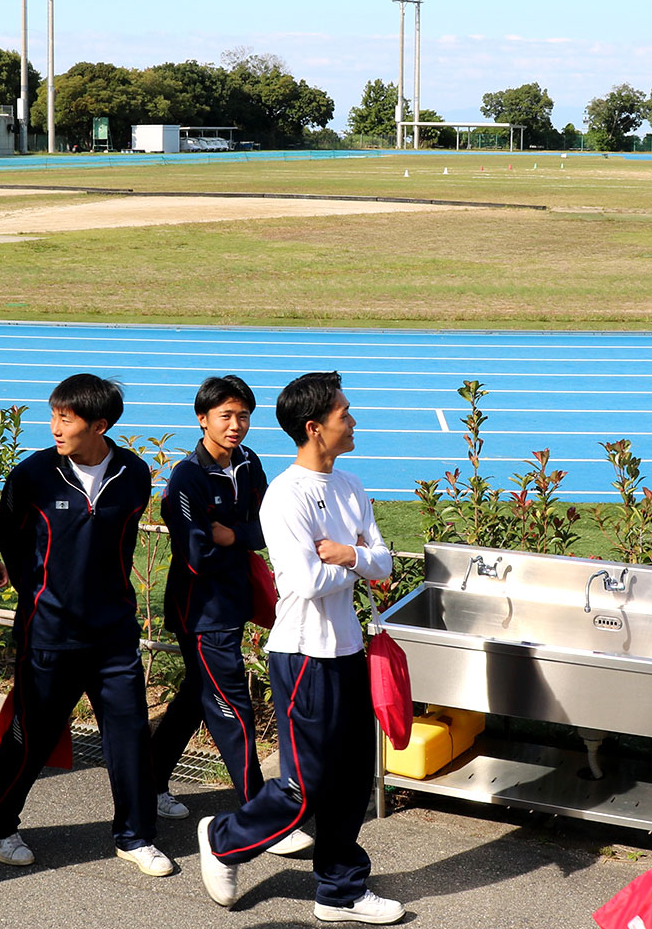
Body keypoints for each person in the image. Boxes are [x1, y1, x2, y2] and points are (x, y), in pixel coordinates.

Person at [197, 370, 404, 925]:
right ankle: (222, 838)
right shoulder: (284, 497)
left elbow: (384, 562)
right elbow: (304, 583)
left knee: (353, 778)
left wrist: (348, 555)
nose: (353, 421)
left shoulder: (352, 486)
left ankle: (340, 890)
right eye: (344, 414)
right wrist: (353, 559)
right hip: (302, 654)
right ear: (314, 428)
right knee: (301, 788)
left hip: (347, 651)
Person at [0, 374, 172, 879]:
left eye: (67, 418)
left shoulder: (134, 474)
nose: (55, 427)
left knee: (129, 736)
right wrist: (42, 593)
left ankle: (134, 835)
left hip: (112, 633)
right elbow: (13, 544)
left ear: (99, 425)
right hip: (49, 633)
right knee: (32, 738)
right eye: (54, 416)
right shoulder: (33, 475)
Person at [149, 375, 309, 854]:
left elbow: (265, 531)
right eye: (226, 416)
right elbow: (196, 554)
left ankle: (149, 782)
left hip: (234, 603)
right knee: (232, 707)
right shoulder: (187, 477)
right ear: (203, 419)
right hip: (200, 611)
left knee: (199, 696)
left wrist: (232, 536)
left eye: (243, 416)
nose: (236, 425)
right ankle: (260, 814)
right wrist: (229, 539)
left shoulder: (250, 462)